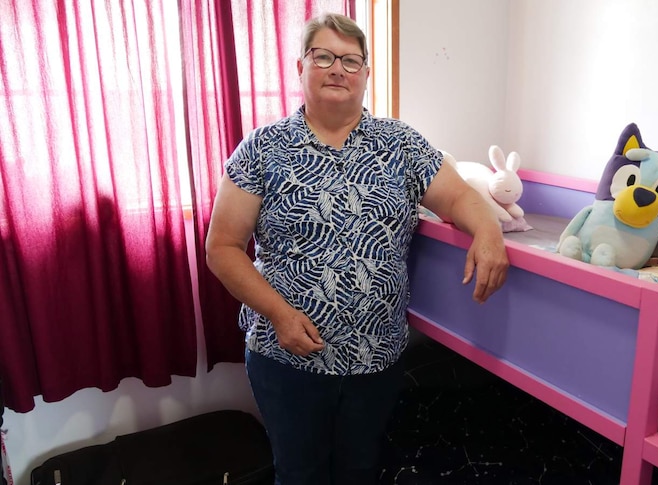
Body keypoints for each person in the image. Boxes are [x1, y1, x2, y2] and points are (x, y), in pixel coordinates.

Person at [205, 12, 509, 485]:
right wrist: (281, 315)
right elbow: (221, 247)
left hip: (377, 358)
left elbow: (461, 196)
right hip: (287, 357)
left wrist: (488, 233)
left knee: (360, 471)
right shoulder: (262, 148)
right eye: (322, 56)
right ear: (300, 67)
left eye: (350, 60)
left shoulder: (401, 143)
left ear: (366, 74)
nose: (337, 69)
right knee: (300, 474)